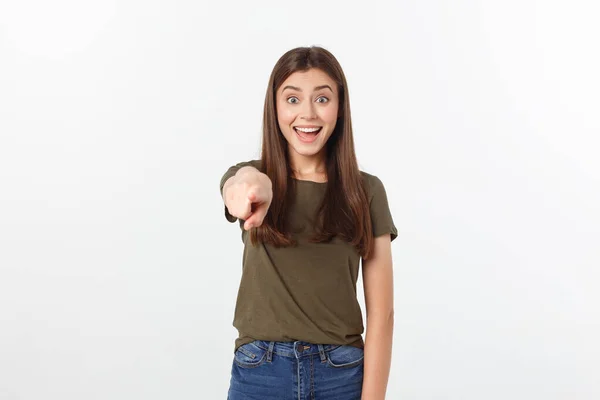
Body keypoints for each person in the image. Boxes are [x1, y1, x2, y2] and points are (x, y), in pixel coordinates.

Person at [220, 46, 398, 400]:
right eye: (292, 99)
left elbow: (383, 313)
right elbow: (239, 187)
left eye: (321, 99)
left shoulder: (367, 191)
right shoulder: (253, 178)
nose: (307, 114)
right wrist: (253, 187)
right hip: (261, 373)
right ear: (275, 108)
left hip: (341, 373)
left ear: (339, 107)